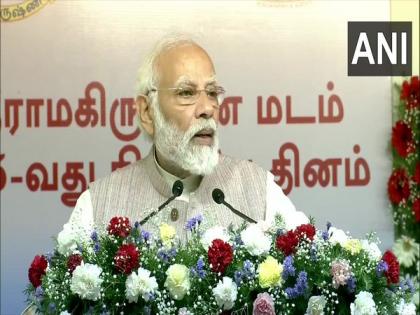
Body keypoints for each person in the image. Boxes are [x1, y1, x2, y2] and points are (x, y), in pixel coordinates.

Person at [63, 34, 308, 242]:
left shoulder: (258, 191)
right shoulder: (98, 205)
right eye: (186, 93)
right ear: (148, 112)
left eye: (212, 93)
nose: (207, 109)